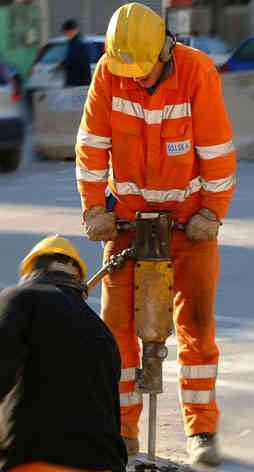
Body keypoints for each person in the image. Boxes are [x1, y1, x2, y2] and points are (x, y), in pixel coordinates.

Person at [75, 2, 236, 467]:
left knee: (197, 326)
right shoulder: (111, 71)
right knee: (117, 331)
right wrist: (93, 211)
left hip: (189, 224)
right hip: (125, 223)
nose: (137, 80)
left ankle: (201, 429)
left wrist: (211, 213)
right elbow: (90, 148)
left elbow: (218, 152)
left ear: (166, 50)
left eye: (144, 73)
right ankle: (122, 432)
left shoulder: (196, 72)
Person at [0, 235, 127, 472]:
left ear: (31, 271)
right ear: (78, 280)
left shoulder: (17, 300)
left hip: (35, 461)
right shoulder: (102, 331)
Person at [60, 19, 91, 86]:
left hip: (78, 82)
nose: (67, 34)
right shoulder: (73, 43)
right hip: (75, 81)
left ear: (74, 31)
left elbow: (80, 63)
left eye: (68, 32)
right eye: (66, 33)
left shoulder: (79, 44)